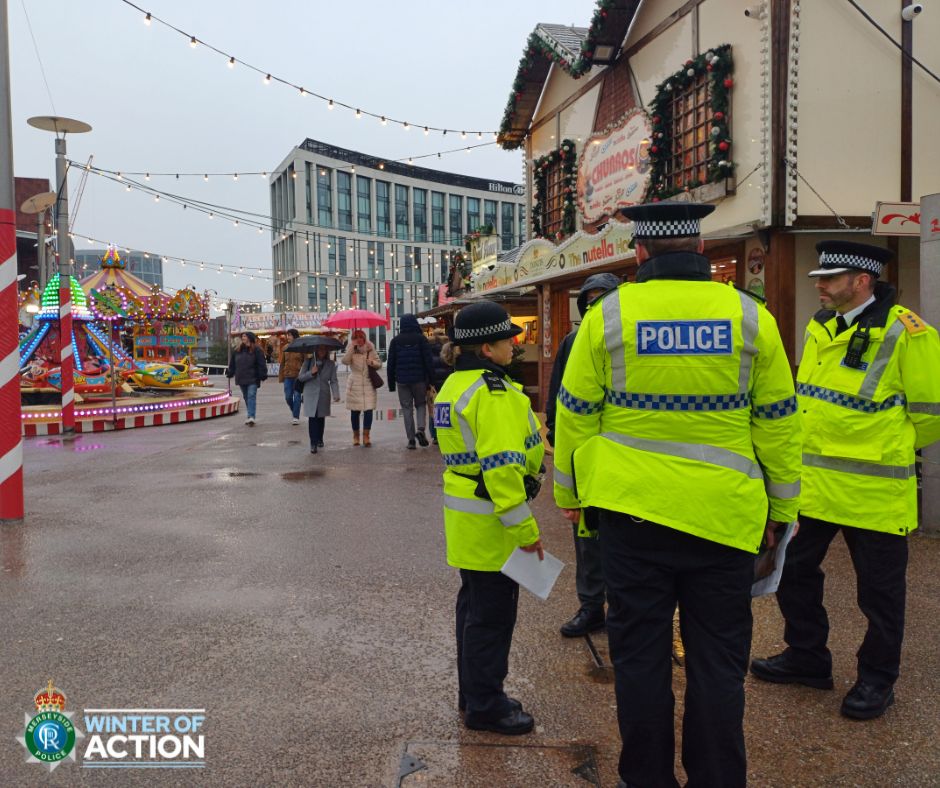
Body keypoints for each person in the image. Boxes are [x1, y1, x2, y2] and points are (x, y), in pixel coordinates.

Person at [553, 202, 801, 788]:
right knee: (718, 663)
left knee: (639, 659)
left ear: (639, 253)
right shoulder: (749, 317)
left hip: (630, 518)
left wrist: (573, 496)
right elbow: (779, 422)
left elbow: (575, 415)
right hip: (724, 518)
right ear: (701, 249)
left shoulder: (606, 318)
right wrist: (784, 509)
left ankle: (646, 779)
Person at [750, 241, 940, 720]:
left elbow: (931, 414)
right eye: (820, 277)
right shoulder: (821, 326)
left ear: (862, 281)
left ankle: (877, 681)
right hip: (812, 486)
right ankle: (807, 658)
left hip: (872, 490)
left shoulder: (908, 333)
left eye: (830, 278)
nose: (820, 285)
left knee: (879, 595)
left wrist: (884, 444)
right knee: (791, 573)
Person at [434, 301, 546, 736]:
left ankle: (475, 693)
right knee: (492, 616)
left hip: (469, 514)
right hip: (493, 518)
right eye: (507, 339)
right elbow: (501, 469)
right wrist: (526, 531)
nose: (513, 346)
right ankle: (486, 705)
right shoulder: (490, 392)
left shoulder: (456, 386)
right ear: (486, 348)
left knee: (474, 609)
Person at [545, 272, 620, 638]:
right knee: (587, 538)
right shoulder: (573, 341)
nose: (595, 306)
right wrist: (557, 437)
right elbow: (558, 392)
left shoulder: (627, 340)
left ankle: (622, 607)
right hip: (586, 458)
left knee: (623, 540)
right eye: (589, 301)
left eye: (602, 298)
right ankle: (591, 606)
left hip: (622, 457)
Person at [387, 313, 434, 449]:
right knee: (420, 404)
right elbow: (428, 361)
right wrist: (432, 380)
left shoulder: (395, 341)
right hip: (419, 379)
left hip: (402, 380)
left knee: (407, 409)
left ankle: (411, 440)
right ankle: (420, 429)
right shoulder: (421, 339)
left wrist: (391, 384)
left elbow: (391, 364)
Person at [342, 330, 382, 447]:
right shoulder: (351, 349)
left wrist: (372, 362)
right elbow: (344, 361)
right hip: (355, 384)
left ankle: (366, 436)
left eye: (360, 337)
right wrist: (351, 350)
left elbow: (379, 364)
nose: (358, 339)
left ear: (364, 338)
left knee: (368, 410)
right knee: (355, 411)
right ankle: (355, 436)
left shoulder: (370, 348)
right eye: (356, 337)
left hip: (368, 383)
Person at [298, 345, 340, 453]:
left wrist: (336, 394)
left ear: (327, 350)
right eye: (319, 349)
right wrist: (311, 373)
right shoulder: (308, 362)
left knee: (321, 417)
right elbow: (301, 377)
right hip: (310, 393)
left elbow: (334, 380)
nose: (322, 351)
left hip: (323, 394)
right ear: (315, 350)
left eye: (324, 349)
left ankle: (320, 438)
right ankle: (313, 443)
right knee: (313, 417)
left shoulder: (331, 364)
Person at [226, 331, 268, 425]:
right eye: (242, 336)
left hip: (253, 378)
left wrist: (263, 373)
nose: (243, 338)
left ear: (249, 338)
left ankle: (251, 416)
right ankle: (250, 415)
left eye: (245, 336)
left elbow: (261, 363)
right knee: (246, 397)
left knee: (251, 396)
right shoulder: (238, 350)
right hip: (241, 377)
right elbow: (233, 364)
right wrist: (230, 372)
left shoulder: (257, 350)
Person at [427, 327, 452, 445]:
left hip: (433, 381)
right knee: (446, 407)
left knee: (433, 409)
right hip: (447, 381)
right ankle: (446, 433)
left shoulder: (428, 347)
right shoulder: (448, 346)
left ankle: (435, 435)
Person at [278, 329, 304, 425]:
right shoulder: (285, 348)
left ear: (295, 336)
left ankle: (295, 417)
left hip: (298, 376)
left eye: (290, 335)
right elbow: (282, 363)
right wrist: (281, 377)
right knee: (288, 397)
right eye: (287, 335)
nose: (288, 337)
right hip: (287, 376)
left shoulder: (301, 347)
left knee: (297, 396)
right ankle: (295, 411)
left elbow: (305, 362)